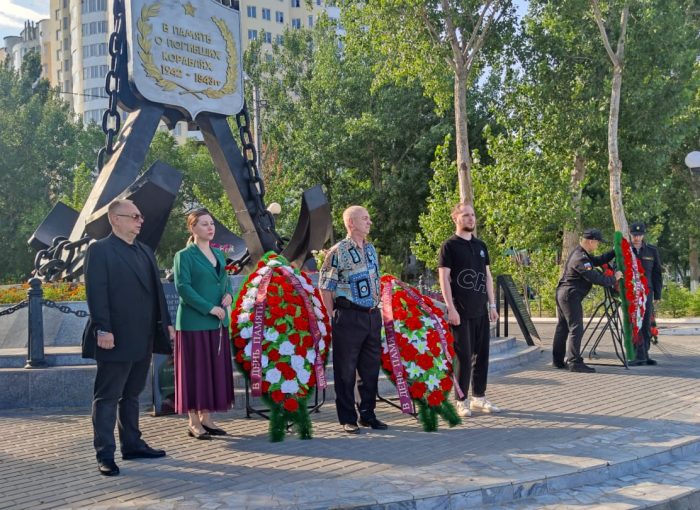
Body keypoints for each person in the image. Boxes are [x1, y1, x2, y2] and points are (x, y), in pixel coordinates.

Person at [83, 199, 174, 477]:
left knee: (132, 395)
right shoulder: (100, 250)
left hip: (143, 337)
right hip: (114, 337)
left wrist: (166, 325)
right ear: (115, 219)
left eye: (140, 215)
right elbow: (96, 292)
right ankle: (105, 454)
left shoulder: (145, 251)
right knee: (108, 396)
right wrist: (103, 328)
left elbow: (157, 293)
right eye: (134, 216)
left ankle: (132, 444)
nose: (140, 220)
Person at [319, 206, 386, 434]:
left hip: (372, 316)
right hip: (348, 317)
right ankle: (348, 418)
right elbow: (326, 286)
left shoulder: (371, 249)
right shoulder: (337, 251)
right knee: (346, 370)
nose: (370, 222)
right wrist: (332, 316)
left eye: (369, 218)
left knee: (369, 370)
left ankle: (368, 414)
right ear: (351, 223)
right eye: (365, 219)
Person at [173, 209, 234, 439]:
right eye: (204, 224)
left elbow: (225, 282)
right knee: (195, 372)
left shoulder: (219, 254)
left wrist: (229, 295)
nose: (210, 228)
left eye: (212, 224)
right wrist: (209, 307)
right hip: (194, 323)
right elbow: (183, 287)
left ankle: (207, 419)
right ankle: (193, 422)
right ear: (193, 228)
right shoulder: (184, 256)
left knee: (212, 372)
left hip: (217, 323)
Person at [438, 203, 501, 418]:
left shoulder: (481, 245)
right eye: (465, 215)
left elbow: (487, 277)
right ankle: (461, 400)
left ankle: (479, 398)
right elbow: (444, 278)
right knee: (463, 357)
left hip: (481, 310)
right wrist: (451, 308)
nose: (471, 219)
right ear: (455, 218)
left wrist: (492, 305)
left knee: (481, 356)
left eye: (473, 215)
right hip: (460, 312)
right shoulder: (449, 246)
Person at [552, 228, 623, 373]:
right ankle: (574, 362)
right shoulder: (581, 258)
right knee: (576, 328)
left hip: (564, 294)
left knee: (563, 328)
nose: (598, 245)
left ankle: (558, 361)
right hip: (569, 295)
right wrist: (614, 278)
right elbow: (596, 278)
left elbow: (597, 260)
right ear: (591, 241)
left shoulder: (582, 254)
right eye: (597, 242)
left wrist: (613, 251)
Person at [628, 222, 663, 366]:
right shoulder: (625, 250)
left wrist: (658, 295)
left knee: (646, 323)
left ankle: (645, 355)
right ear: (630, 234)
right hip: (632, 293)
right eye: (635, 235)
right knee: (635, 324)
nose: (637, 238)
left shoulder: (651, 251)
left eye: (640, 235)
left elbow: (657, 274)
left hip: (647, 292)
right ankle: (636, 355)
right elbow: (618, 268)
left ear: (643, 235)